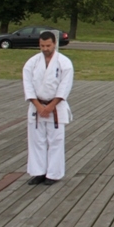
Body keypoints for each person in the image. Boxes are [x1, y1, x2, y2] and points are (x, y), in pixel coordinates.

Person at [23, 31, 74, 186]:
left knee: (55, 141)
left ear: (54, 44)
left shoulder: (64, 63)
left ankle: (53, 174)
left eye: (48, 45)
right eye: (42, 46)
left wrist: (50, 106)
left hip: (56, 107)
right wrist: (39, 106)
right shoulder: (32, 62)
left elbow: (64, 87)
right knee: (36, 141)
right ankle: (38, 172)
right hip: (36, 106)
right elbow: (27, 85)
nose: (45, 48)